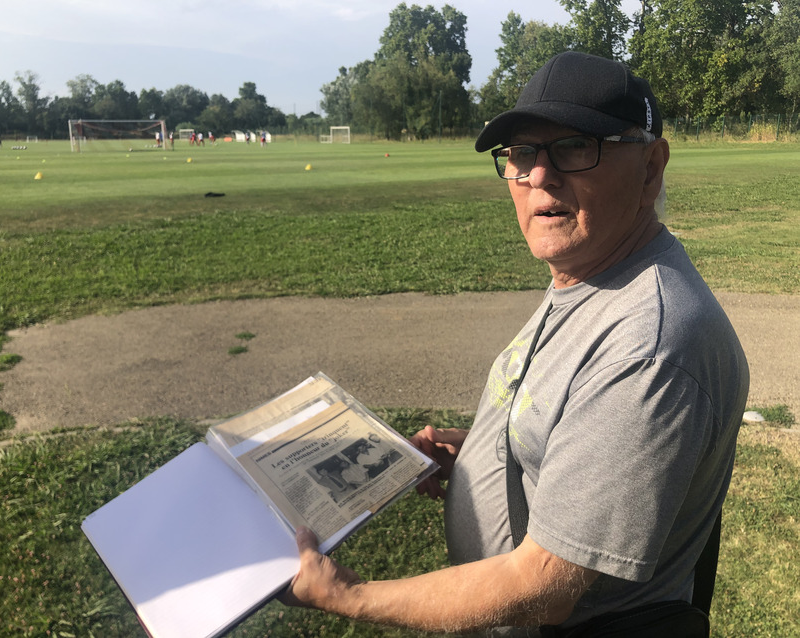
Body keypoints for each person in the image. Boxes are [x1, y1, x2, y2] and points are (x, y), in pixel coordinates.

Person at [280, 51, 749, 636]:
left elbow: (540, 590)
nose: (541, 175)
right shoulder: (591, 274)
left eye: (577, 147)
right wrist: (484, 451)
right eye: (524, 153)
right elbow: (569, 414)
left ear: (651, 166)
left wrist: (349, 595)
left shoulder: (649, 347)